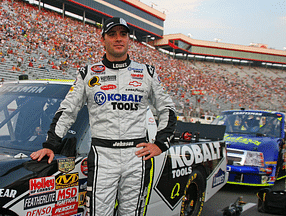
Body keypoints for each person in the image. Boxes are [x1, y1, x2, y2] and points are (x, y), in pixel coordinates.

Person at [30, 17, 177, 216]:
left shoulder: (146, 73)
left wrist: (160, 144)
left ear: (128, 40)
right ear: (103, 39)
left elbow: (167, 108)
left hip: (137, 156)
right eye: (112, 34)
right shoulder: (88, 74)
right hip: (103, 156)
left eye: (123, 34)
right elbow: (68, 110)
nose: (118, 39)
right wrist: (50, 145)